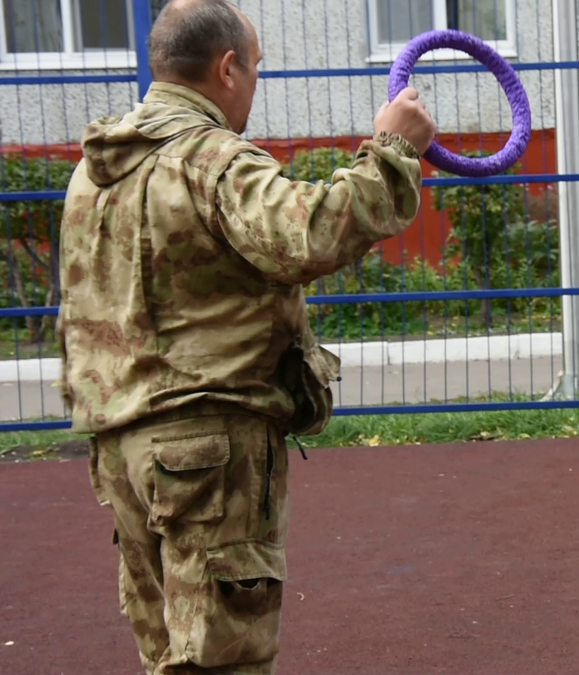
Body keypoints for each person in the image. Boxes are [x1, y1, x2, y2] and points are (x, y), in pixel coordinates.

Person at [54, 0, 436, 672]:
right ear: (227, 68)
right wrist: (394, 150)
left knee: (171, 653)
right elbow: (305, 233)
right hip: (206, 446)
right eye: (256, 70)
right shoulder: (211, 160)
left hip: (120, 446)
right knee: (224, 658)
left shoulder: (95, 169)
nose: (255, 85)